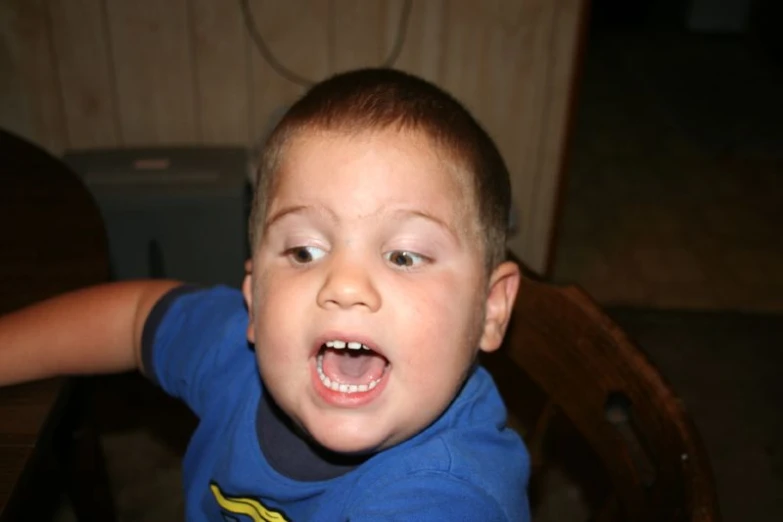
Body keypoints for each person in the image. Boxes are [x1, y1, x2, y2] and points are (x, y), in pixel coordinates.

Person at [0, 68, 530, 521]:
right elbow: (134, 317)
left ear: (490, 309)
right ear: (253, 300)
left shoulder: (447, 496)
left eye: (404, 256)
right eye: (304, 252)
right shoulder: (239, 354)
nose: (344, 286)